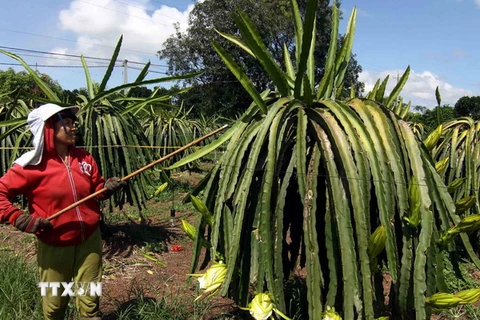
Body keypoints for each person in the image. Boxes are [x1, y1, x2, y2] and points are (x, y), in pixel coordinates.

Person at [0, 103, 126, 320]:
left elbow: (95, 190)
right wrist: (18, 218)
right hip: (55, 243)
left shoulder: (84, 158)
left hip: (90, 240)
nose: (74, 128)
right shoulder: (31, 166)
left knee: (89, 297)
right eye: (66, 123)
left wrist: (106, 189)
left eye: (73, 123)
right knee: (55, 304)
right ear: (49, 128)